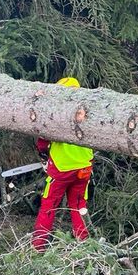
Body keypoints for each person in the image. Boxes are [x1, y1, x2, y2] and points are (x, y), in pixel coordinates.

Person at [32, 77, 94, 251]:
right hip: (84, 166)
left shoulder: (56, 113)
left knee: (49, 205)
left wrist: (44, 155)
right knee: (78, 206)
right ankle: (85, 245)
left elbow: (43, 141)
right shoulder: (89, 112)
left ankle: (38, 246)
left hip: (61, 169)